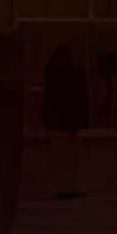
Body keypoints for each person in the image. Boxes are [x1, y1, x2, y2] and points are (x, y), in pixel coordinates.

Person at [43, 42, 87, 198]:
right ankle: (71, 186)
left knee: (58, 156)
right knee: (72, 157)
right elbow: (82, 100)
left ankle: (59, 187)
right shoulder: (77, 74)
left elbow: (49, 99)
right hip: (71, 122)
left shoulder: (51, 73)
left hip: (57, 122)